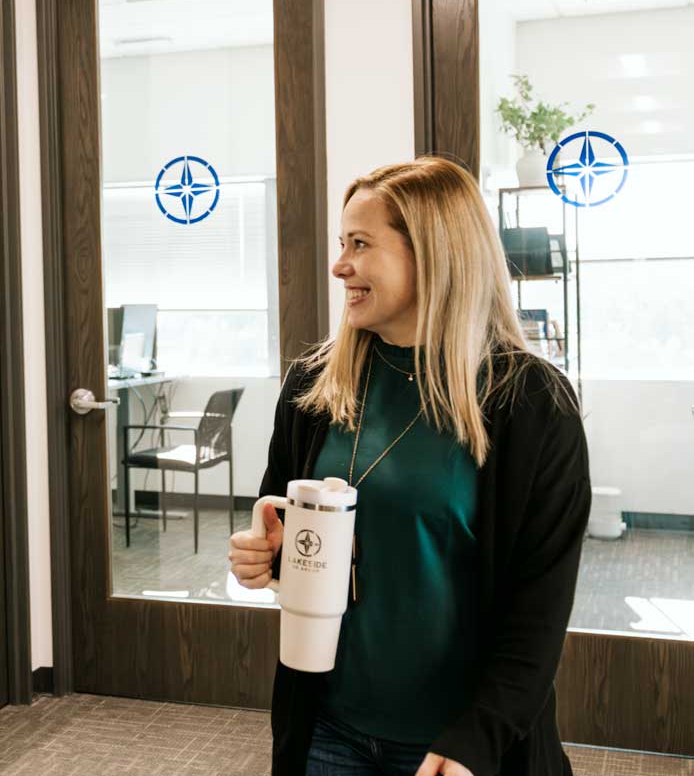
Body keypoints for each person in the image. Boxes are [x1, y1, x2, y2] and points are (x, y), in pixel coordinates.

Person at [229, 157, 589, 776]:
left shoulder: (531, 403)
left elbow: (539, 612)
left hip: (458, 746)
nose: (339, 265)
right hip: (328, 731)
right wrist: (264, 556)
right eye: (342, 244)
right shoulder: (314, 386)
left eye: (360, 245)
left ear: (434, 253)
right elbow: (290, 540)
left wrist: (476, 739)